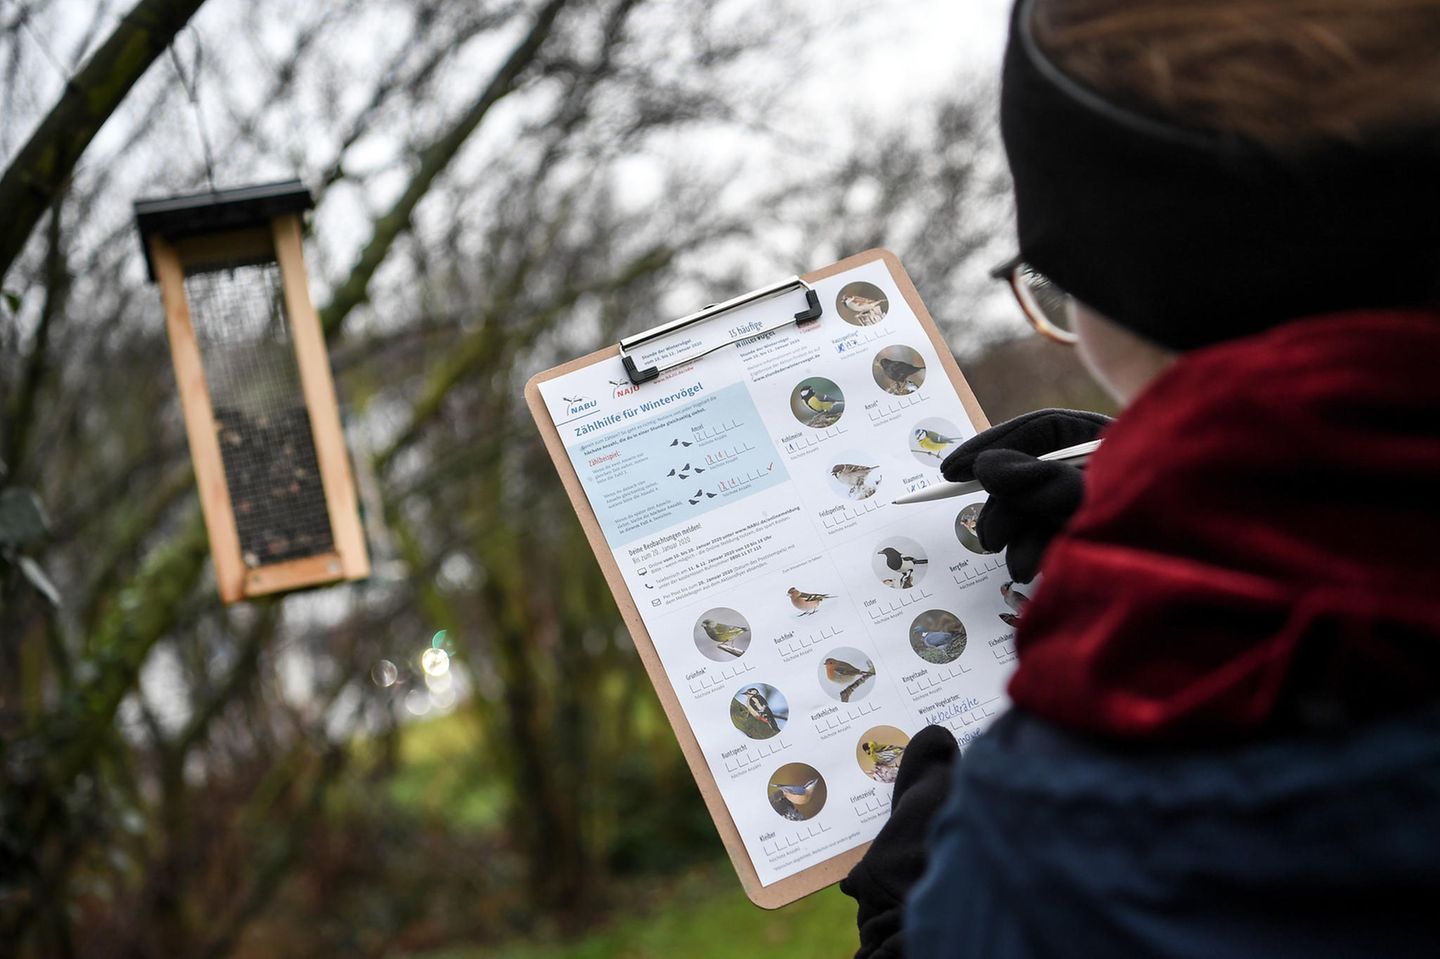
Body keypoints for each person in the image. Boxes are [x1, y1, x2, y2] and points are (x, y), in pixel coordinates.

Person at [841, 0, 1440, 954]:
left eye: (1057, 280)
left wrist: (918, 925)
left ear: (1139, 286)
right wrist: (1223, 513)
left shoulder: (1079, 820)